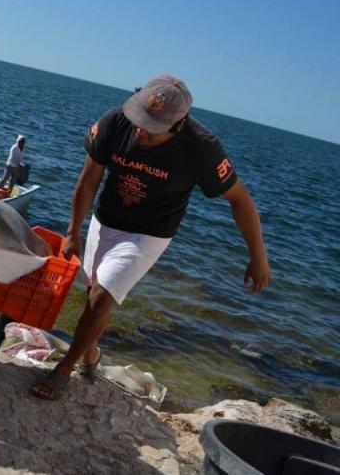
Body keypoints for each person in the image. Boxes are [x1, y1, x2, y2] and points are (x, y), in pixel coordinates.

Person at [31, 74, 270, 400]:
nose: (140, 131)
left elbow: (241, 199)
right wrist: (73, 232)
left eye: (152, 129)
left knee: (102, 296)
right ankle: (90, 356)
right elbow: (89, 180)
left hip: (150, 233)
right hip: (106, 219)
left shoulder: (202, 148)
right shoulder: (116, 121)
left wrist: (258, 255)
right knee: (92, 296)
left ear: (178, 125)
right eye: (139, 121)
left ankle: (64, 369)